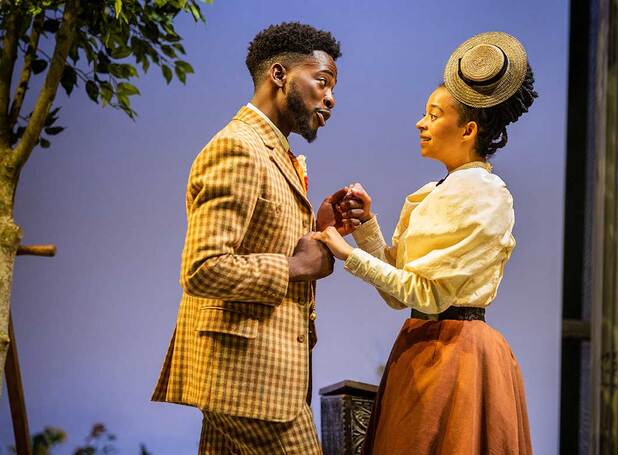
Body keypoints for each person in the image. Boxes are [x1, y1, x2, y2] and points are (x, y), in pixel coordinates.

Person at [314, 32, 537, 454]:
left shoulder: (484, 194)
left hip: (457, 356)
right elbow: (400, 291)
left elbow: (430, 294)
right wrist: (365, 226)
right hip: (420, 346)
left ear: (468, 129)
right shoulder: (435, 190)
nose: (421, 123)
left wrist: (349, 255)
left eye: (434, 115)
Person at [152, 22, 349, 454]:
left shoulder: (271, 149)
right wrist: (296, 267)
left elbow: (263, 241)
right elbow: (203, 268)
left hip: (249, 377)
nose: (331, 98)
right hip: (249, 383)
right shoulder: (239, 147)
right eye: (322, 81)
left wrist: (315, 229)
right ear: (279, 75)